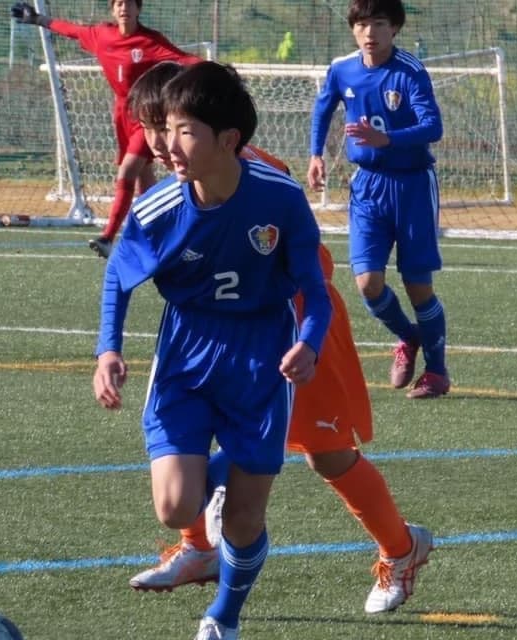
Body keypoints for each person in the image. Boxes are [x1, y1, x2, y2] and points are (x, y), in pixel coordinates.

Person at [124, 60, 434, 615]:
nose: (158, 144)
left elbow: (299, 265)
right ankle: (198, 547)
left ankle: (401, 547)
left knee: (328, 454)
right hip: (233, 338)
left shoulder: (248, 173)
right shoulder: (186, 181)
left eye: (165, 128)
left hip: (295, 327)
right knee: (193, 433)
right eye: (153, 130)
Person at [92, 61, 332, 640]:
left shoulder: (279, 200)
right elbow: (118, 275)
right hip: (187, 352)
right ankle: (224, 474)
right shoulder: (158, 209)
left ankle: (224, 616)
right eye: (165, 130)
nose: (167, 146)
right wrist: (108, 349)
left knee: (245, 519)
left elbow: (316, 291)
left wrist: (309, 342)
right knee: (176, 508)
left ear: (228, 140)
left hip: (261, 354)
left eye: (184, 131)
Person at [308, 0, 451, 399]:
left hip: (412, 187)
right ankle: (409, 337)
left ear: (395, 28)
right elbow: (323, 108)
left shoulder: (409, 72)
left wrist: (388, 139)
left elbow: (433, 126)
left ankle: (437, 373)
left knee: (417, 285)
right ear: (353, 29)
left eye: (379, 24)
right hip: (368, 187)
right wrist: (316, 154)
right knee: (368, 283)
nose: (369, 33)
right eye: (362, 25)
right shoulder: (342, 69)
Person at [10, 0, 201, 258]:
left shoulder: (149, 40)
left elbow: (182, 58)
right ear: (113, 9)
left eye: (130, 3)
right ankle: (166, 234)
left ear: (138, 9)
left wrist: (213, 68)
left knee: (128, 170)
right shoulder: (102, 35)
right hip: (121, 114)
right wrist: (37, 20)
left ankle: (108, 236)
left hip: (145, 117)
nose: (124, 8)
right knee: (144, 182)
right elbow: (72, 30)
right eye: (119, 3)